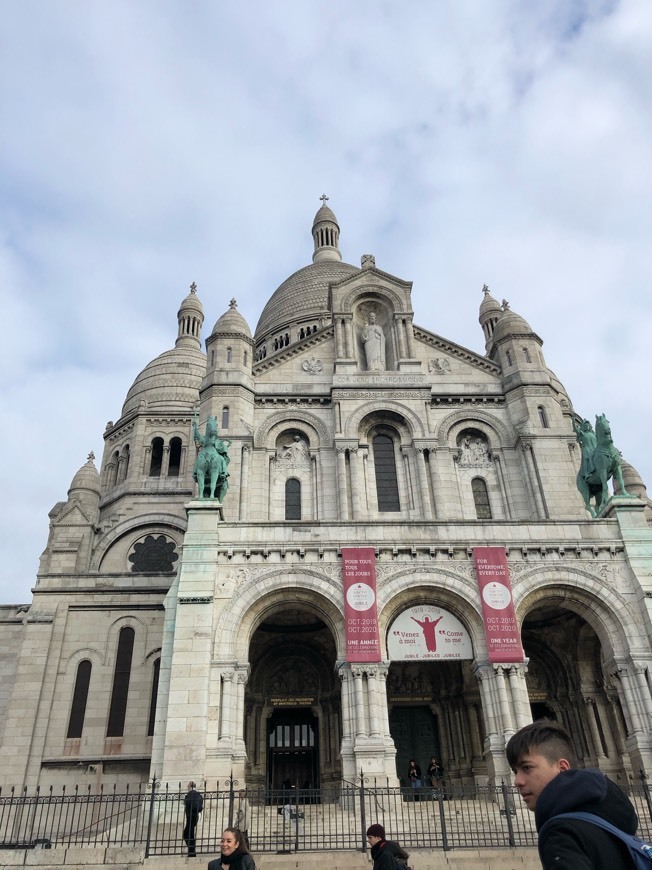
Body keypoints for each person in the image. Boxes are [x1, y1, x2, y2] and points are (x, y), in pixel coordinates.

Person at [506, 720, 638, 869]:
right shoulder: (614, 820)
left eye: (527, 768)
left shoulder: (562, 832)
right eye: (515, 772)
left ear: (562, 767)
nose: (517, 781)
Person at [183, 781, 203, 857]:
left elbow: (188, 803)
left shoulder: (190, 794)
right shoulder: (198, 795)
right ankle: (191, 851)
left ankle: (192, 852)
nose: (187, 787)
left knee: (187, 834)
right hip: (196, 816)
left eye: (188, 786)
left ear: (190, 786)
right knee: (189, 833)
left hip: (190, 815)